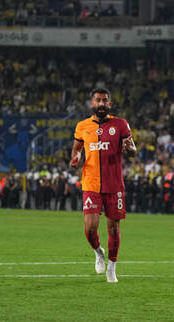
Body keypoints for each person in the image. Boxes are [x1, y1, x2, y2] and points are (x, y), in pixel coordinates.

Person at [69, 88, 137, 283]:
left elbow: (132, 149)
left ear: (110, 103)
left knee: (114, 228)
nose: (101, 104)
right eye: (98, 100)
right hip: (90, 183)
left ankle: (112, 268)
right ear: (92, 103)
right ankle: (99, 252)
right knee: (90, 228)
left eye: (105, 101)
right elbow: (76, 148)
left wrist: (130, 148)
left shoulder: (121, 124)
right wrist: (75, 157)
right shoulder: (82, 126)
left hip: (114, 185)